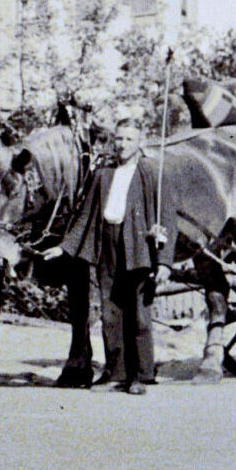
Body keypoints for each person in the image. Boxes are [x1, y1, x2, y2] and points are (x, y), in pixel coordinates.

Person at [60, 105, 169, 395]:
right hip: (107, 241)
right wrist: (64, 248)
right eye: (119, 139)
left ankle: (140, 375)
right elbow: (86, 215)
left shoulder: (150, 173)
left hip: (139, 245)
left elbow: (165, 216)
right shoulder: (103, 174)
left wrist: (165, 261)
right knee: (110, 309)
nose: (122, 144)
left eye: (129, 139)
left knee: (138, 312)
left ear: (140, 142)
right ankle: (114, 372)